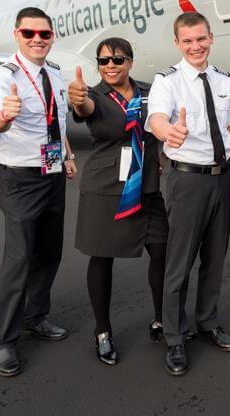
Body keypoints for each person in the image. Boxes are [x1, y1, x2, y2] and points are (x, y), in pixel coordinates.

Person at [146, 11, 230, 377]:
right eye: (187, 41)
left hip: (221, 178)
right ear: (177, 43)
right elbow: (157, 117)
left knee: (215, 258)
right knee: (180, 263)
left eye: (201, 39)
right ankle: (174, 338)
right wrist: (167, 132)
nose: (195, 46)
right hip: (186, 180)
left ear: (211, 38)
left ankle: (207, 322)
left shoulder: (222, 79)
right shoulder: (168, 81)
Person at [0, 7, 77, 377]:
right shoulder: (3, 77)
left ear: (52, 36)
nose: (37, 39)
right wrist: (4, 115)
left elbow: (59, 119)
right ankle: (3, 339)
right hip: (20, 176)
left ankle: (36, 316)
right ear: (17, 36)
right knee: (19, 257)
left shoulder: (54, 73)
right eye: (29, 33)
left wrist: (67, 155)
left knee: (50, 252)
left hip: (53, 171)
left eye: (44, 34)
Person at [68, 37, 169, 366]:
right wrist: (78, 100)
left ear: (130, 62)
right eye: (104, 61)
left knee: (162, 250)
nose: (110, 65)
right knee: (102, 258)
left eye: (117, 59)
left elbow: (163, 123)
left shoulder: (150, 91)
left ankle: (161, 320)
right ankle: (102, 331)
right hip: (106, 188)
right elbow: (85, 111)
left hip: (147, 186)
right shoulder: (94, 95)